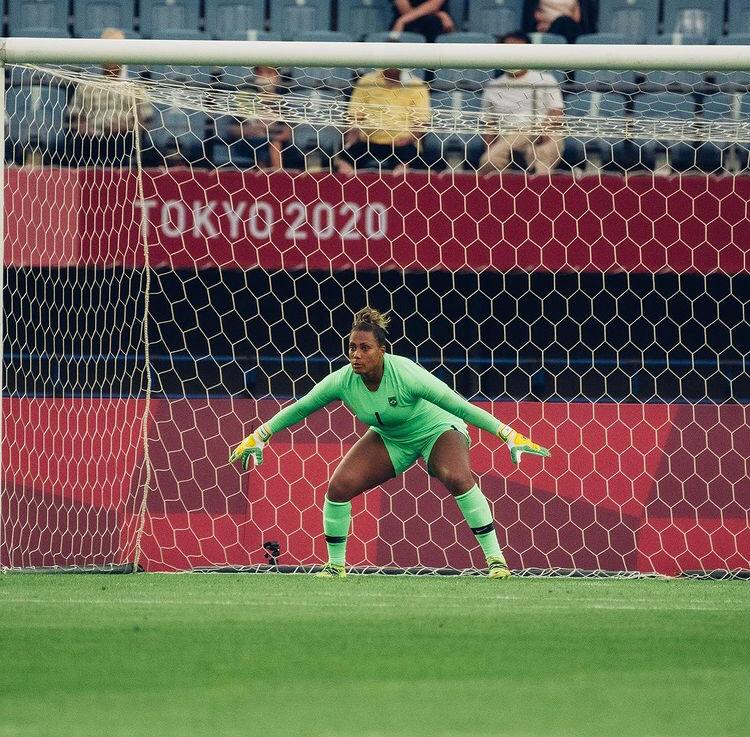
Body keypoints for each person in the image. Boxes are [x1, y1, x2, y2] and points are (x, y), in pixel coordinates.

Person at [229, 307, 551, 578]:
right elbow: (301, 407)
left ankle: (496, 561)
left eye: (365, 348)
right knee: (339, 487)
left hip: (436, 428)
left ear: (382, 350)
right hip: (392, 439)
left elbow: (460, 406)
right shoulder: (344, 380)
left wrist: (507, 434)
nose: (356, 354)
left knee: (456, 477)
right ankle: (335, 567)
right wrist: (260, 435)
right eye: (352, 346)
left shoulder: (407, 374)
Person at [479, 32, 564, 175]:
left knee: (541, 164)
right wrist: (491, 148)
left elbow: (557, 111)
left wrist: (541, 132)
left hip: (545, 135)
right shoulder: (493, 87)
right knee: (488, 161)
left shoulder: (546, 79)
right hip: (509, 137)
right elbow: (489, 125)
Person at [67, 28, 146, 167]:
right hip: (92, 141)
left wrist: (125, 127)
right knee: (81, 142)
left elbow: (143, 122)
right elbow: (74, 117)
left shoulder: (135, 87)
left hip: (122, 140)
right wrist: (83, 127)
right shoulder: (86, 86)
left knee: (123, 141)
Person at [337, 66, 430, 174]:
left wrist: (408, 139)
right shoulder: (367, 81)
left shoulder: (417, 85)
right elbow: (354, 116)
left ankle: (397, 189)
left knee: (404, 169)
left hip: (402, 145)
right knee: (344, 162)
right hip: (368, 141)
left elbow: (421, 122)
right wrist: (352, 134)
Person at [522, 0, 596, 43]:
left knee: (564, 22)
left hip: (569, 26)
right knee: (562, 21)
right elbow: (536, 15)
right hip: (548, 28)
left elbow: (577, 18)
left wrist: (556, 19)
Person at [391, 0, 455, 43]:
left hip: (436, 25)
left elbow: (434, 5)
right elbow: (405, 10)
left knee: (432, 23)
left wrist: (402, 20)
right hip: (406, 25)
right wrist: (440, 14)